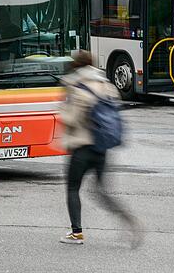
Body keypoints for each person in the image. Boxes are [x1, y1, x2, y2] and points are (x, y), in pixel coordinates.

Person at [58, 50, 141, 247]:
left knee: (72, 188)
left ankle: (76, 233)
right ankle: (126, 219)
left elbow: (71, 118)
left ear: (76, 66)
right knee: (102, 191)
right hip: (102, 147)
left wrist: (62, 109)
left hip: (82, 147)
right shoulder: (106, 85)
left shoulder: (77, 87)